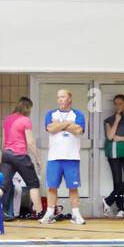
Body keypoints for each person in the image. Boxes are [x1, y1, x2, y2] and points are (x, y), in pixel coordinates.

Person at [39, 90, 86, 225]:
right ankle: (49, 214)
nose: (60, 99)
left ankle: (76, 215)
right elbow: (50, 128)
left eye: (63, 97)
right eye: (58, 97)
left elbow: (79, 130)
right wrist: (68, 124)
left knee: (73, 187)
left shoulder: (78, 114)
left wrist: (60, 124)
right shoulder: (51, 114)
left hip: (72, 157)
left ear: (70, 99)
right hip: (54, 157)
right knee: (52, 187)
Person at [0, 97, 43, 219]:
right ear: (28, 108)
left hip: (7, 154)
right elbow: (30, 142)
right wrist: (38, 159)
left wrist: (6, 153)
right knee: (33, 184)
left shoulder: (8, 119)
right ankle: (40, 214)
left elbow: (4, 141)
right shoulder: (25, 120)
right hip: (20, 155)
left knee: (3, 186)